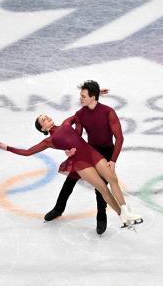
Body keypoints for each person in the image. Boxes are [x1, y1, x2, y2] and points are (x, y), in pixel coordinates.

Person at [0, 114, 143, 229]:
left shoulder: (66, 123)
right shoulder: (49, 141)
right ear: (43, 129)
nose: (46, 118)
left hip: (92, 153)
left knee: (112, 179)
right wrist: (8, 148)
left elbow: (81, 114)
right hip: (80, 162)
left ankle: (125, 212)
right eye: (43, 120)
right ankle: (121, 216)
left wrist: (95, 94)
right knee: (102, 188)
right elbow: (28, 152)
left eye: (45, 116)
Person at [45, 80, 123, 235]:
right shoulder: (81, 113)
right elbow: (77, 120)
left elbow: (118, 137)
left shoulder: (107, 112)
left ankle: (101, 217)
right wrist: (73, 149)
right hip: (88, 150)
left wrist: (113, 160)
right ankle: (58, 209)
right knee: (70, 181)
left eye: (83, 96)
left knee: (101, 187)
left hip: (106, 153)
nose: (80, 99)